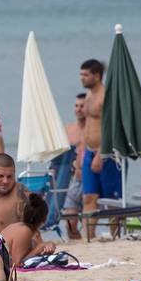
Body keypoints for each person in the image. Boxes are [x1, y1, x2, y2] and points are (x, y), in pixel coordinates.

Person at [78, 58, 121, 238]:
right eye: (81, 75)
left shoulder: (105, 96)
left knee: (111, 201)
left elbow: (112, 127)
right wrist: (81, 154)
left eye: (86, 75)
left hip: (106, 154)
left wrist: (100, 155)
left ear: (97, 75)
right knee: (89, 197)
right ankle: (90, 237)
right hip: (88, 151)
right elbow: (87, 126)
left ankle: (115, 236)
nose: (82, 78)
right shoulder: (88, 95)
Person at [1, 194, 56, 267]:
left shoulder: (28, 230)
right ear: (45, 218)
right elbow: (17, 263)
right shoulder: (24, 231)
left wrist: (46, 248)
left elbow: (38, 255)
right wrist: (40, 247)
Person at [61, 93, 86, 239]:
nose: (79, 109)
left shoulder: (93, 131)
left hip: (88, 176)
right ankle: (76, 240)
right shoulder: (68, 130)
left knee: (89, 217)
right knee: (70, 222)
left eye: (82, 106)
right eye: (76, 106)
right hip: (71, 178)